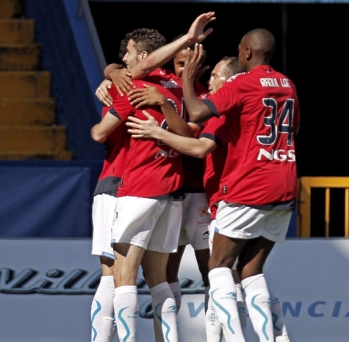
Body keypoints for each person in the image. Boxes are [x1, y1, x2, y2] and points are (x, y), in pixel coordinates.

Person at [131, 28, 299, 342]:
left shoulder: (238, 90)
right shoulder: (287, 85)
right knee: (250, 272)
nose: (211, 82)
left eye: (218, 75)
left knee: (219, 267)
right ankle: (276, 338)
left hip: (245, 189)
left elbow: (198, 137)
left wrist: (157, 130)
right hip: (284, 185)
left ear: (246, 53)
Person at [90, 13, 216, 342]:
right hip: (173, 189)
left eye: (128, 55)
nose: (122, 60)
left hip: (125, 184)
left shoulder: (134, 84)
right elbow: (191, 131)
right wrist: (112, 72)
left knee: (115, 275)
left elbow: (99, 134)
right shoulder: (177, 92)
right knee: (161, 276)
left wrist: (115, 78)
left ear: (144, 57)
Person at [127, 40, 212, 316]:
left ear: (201, 66)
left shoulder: (205, 96)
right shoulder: (159, 83)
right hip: (172, 191)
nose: (185, 68)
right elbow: (132, 70)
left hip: (199, 190)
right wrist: (112, 71)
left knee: (212, 270)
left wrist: (165, 105)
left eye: (191, 63)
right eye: (180, 63)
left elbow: (188, 135)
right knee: (166, 272)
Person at [89, 39, 129, 342]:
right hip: (118, 184)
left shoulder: (159, 87)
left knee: (123, 278)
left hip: (141, 189)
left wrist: (112, 72)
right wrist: (112, 72)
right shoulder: (121, 84)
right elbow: (99, 135)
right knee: (115, 275)